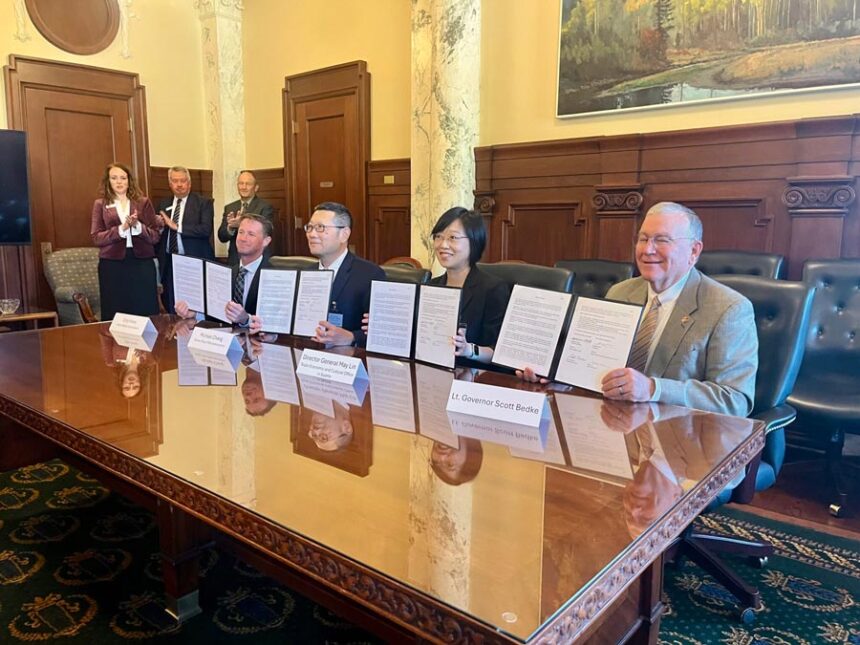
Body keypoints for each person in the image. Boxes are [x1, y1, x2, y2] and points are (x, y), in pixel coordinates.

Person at [520, 201, 757, 417]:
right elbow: (594, 365)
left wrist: (654, 389)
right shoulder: (620, 292)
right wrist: (555, 375)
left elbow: (734, 401)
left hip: (678, 442)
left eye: (662, 240)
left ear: (694, 251)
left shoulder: (729, 309)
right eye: (643, 239)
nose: (647, 250)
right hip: (612, 425)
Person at [253, 202, 383, 347]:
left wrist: (351, 337)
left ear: (344, 234)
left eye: (320, 228)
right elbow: (294, 324)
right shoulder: (304, 274)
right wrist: (274, 334)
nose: (312, 234)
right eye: (309, 228)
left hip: (347, 360)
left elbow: (381, 331)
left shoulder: (369, 274)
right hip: (305, 357)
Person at [427, 207, 510, 364]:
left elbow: (498, 351)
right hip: (432, 374)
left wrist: (469, 350)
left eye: (453, 238)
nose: (443, 245)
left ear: (474, 241)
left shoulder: (493, 289)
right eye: (438, 236)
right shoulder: (429, 287)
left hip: (473, 379)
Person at [90, 162, 162, 321]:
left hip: (141, 263)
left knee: (144, 309)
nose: (119, 182)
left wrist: (138, 227)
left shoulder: (143, 202)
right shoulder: (100, 204)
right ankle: (114, 346)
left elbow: (155, 236)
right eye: (114, 178)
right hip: (112, 265)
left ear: (129, 180)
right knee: (115, 311)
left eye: (123, 178)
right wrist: (121, 229)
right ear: (108, 181)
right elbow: (96, 237)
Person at [175, 213, 272, 325]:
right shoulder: (227, 273)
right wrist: (195, 314)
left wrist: (246, 320)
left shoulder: (273, 277)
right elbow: (219, 314)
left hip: (259, 341)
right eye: (241, 232)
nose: (243, 239)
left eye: (251, 234)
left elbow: (277, 325)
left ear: (266, 241)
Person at [157, 166, 215, 312]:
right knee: (171, 304)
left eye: (183, 181)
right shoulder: (163, 203)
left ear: (189, 183)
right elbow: (159, 234)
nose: (179, 184)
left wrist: (177, 227)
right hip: (169, 261)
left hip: (193, 261)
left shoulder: (203, 203)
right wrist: (159, 227)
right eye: (175, 181)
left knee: (194, 307)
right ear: (170, 184)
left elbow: (205, 230)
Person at [218, 170, 275, 265]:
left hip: (257, 260)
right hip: (235, 260)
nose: (243, 187)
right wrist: (230, 228)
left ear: (256, 187)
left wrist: (240, 224)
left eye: (248, 184)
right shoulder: (230, 207)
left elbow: (266, 232)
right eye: (241, 183)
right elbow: (221, 237)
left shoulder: (265, 207)